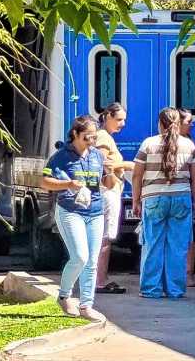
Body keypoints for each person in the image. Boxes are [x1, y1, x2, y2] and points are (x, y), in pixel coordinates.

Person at [41, 116, 109, 322]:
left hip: (95, 212)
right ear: (75, 135)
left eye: (94, 137)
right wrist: (68, 184)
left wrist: (113, 175)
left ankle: (86, 306)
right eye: (87, 137)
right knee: (80, 256)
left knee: (92, 261)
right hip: (70, 211)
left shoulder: (97, 156)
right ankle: (64, 296)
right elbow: (44, 181)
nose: (91, 141)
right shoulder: (61, 156)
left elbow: (107, 182)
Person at [132, 107, 195, 298]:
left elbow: (137, 175)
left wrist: (137, 200)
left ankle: (151, 289)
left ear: (160, 123)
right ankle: (175, 289)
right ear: (178, 123)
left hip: (154, 198)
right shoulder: (189, 145)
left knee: (153, 244)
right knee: (178, 246)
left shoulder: (148, 144)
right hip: (181, 198)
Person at [93, 102, 133, 295]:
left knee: (105, 237)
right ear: (107, 116)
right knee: (105, 238)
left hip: (109, 191)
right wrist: (126, 165)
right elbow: (101, 162)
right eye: (119, 119)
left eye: (124, 119)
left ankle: (101, 278)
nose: (122, 124)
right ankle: (100, 280)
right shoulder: (102, 137)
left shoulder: (106, 137)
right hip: (107, 192)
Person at [179, 108, 195, 287]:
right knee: (186, 235)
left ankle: (188, 273)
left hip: (181, 194)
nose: (192, 125)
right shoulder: (186, 143)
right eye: (189, 122)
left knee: (188, 235)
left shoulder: (190, 141)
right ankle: (185, 274)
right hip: (182, 194)